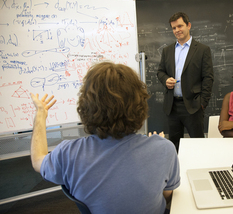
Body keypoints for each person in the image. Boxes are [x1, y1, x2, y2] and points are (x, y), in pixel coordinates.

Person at [30, 62, 180, 214]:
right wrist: (155, 152)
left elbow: (37, 161)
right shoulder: (164, 149)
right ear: (140, 104)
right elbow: (167, 198)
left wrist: (40, 115)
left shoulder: (68, 154)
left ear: (86, 105)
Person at [157, 12, 214, 151]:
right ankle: (177, 172)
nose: (177, 30)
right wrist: (165, 80)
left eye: (180, 26)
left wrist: (202, 103)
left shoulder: (202, 50)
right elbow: (160, 72)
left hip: (193, 106)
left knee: (198, 145)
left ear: (188, 25)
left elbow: (208, 77)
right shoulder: (167, 50)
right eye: (174, 28)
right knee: (174, 145)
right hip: (172, 106)